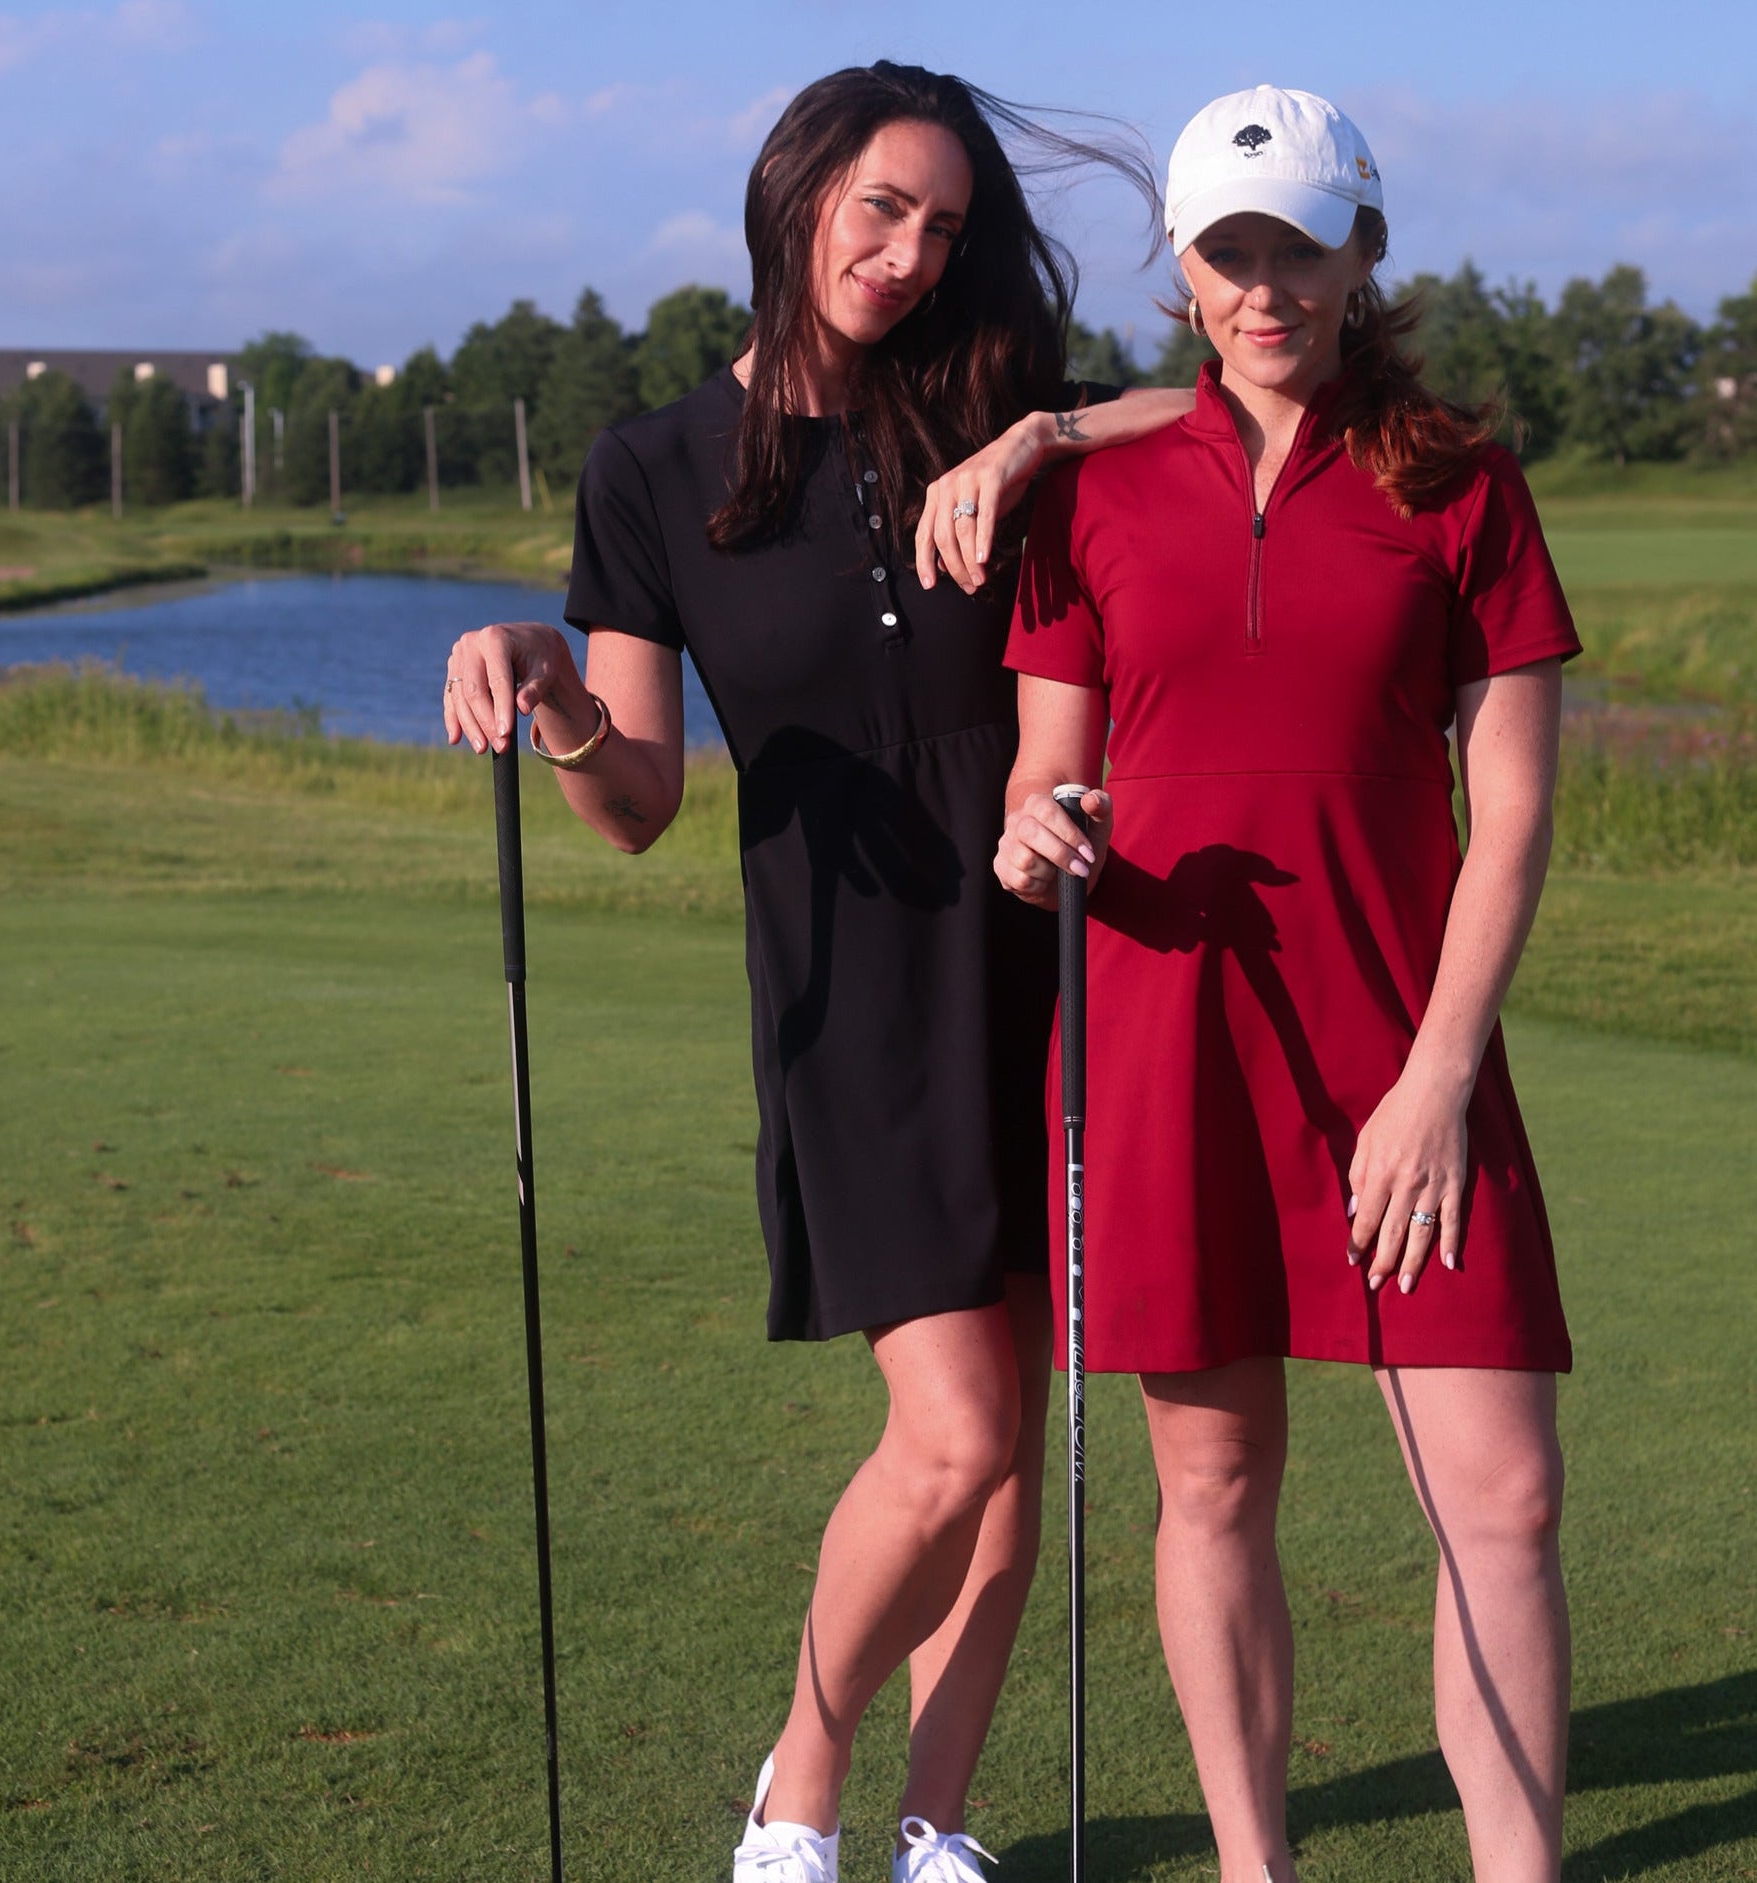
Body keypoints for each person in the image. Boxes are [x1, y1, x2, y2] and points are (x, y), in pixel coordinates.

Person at [441, 62, 1188, 1883]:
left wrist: (1040, 440)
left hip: (1044, 946)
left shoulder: (991, 399)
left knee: (1009, 1447)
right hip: (849, 987)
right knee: (953, 1432)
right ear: (795, 196)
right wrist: (551, 688)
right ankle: (804, 1776)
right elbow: (636, 801)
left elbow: (1215, 411)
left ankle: (938, 1821)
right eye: (880, 209)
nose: (908, 253)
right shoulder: (649, 469)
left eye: (941, 225)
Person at [994, 87, 1579, 1883]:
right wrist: (1032, 836)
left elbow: (1511, 811)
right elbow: (1043, 773)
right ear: (1182, 267)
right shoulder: (1087, 493)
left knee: (1501, 1498)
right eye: (1228, 252)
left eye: (1300, 249)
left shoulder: (1458, 484)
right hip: (1166, 1040)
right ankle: (1257, 1870)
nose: (1265, 288)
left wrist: (1438, 1077)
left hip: (1404, 1048)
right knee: (1212, 1482)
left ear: (1362, 253)